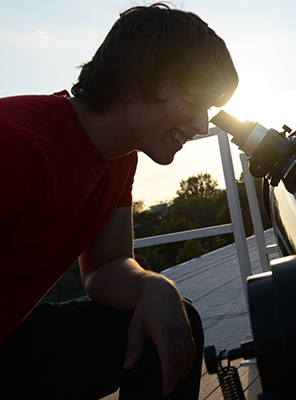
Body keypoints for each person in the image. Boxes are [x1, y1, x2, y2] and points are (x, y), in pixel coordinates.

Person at [0, 3, 238, 399]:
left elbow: (106, 267)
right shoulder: (17, 144)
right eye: (195, 99)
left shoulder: (121, 158)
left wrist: (152, 285)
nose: (202, 125)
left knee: (171, 324)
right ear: (135, 80)